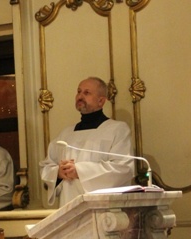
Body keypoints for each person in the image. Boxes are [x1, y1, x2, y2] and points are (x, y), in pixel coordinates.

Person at [40, 76, 134, 206]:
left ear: (101, 101)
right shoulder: (66, 134)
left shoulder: (117, 129)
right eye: (79, 91)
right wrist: (58, 173)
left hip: (102, 209)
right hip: (68, 206)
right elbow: (46, 166)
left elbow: (123, 168)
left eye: (87, 93)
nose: (80, 96)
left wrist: (79, 171)